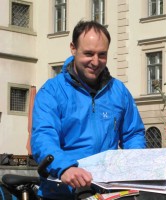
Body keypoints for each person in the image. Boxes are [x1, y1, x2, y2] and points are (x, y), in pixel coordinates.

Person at [31, 20, 146, 199]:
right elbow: (43, 137)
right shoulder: (52, 91)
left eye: (102, 54)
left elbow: (133, 134)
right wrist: (65, 168)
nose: (95, 61)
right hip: (62, 191)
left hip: (107, 192)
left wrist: (134, 162)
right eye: (88, 53)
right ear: (73, 48)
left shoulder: (118, 90)